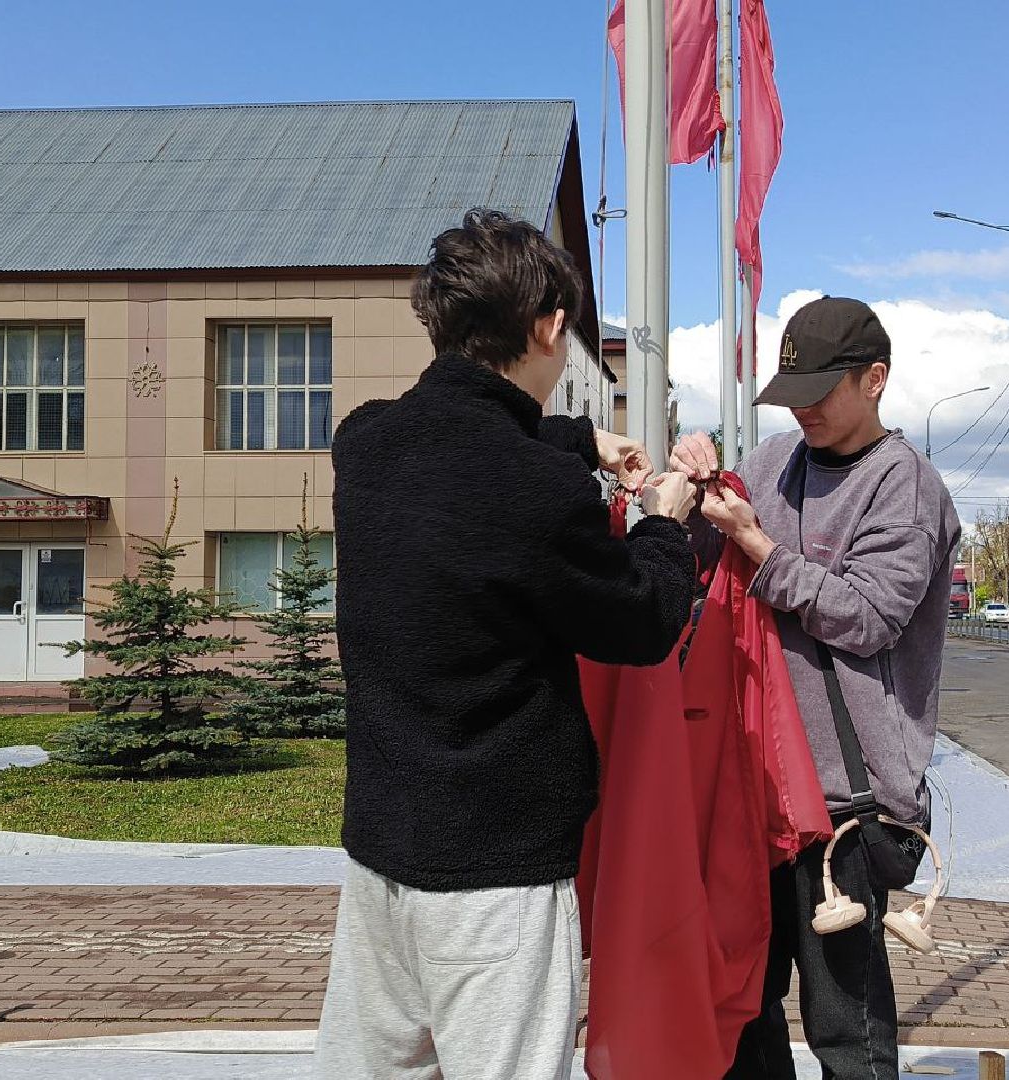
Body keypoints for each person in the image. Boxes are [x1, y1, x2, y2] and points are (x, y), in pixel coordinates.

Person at [316, 208, 698, 1080]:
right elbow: (640, 621)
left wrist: (576, 440)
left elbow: (462, 442)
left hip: (380, 851)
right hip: (496, 875)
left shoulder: (364, 445)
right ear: (549, 326)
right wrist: (662, 524)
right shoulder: (535, 491)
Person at [670, 296, 961, 1080]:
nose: (802, 411)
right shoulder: (770, 462)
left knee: (846, 1027)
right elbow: (705, 563)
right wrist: (690, 482)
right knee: (741, 1008)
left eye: (819, 393)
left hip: (846, 805)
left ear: (875, 379)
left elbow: (866, 618)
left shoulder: (906, 487)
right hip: (753, 785)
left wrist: (754, 540)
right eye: (790, 395)